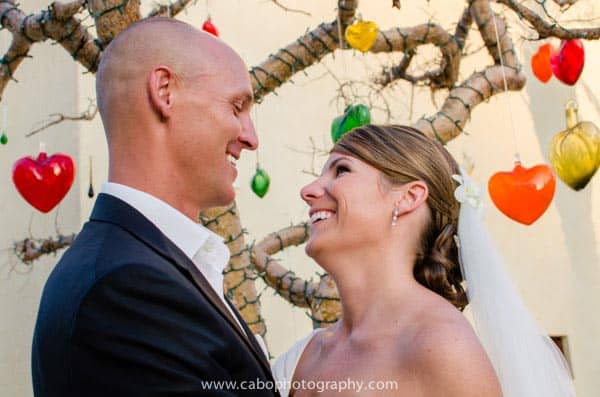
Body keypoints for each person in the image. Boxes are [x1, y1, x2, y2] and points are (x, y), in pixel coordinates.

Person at [31, 18, 279, 397]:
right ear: (165, 91)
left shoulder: (148, 265)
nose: (251, 138)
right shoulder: (126, 287)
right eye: (236, 107)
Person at [273, 125, 575, 396]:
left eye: (341, 170)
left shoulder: (443, 347)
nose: (308, 191)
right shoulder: (305, 355)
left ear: (408, 197)